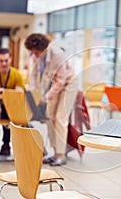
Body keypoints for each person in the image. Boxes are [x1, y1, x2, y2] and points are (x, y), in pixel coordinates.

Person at [25, 33, 78, 166]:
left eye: (37, 53)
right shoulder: (37, 56)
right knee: (49, 117)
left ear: (44, 49)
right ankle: (55, 152)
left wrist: (46, 96)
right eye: (33, 53)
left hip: (68, 83)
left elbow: (61, 81)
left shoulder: (57, 55)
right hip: (54, 84)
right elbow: (34, 74)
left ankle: (61, 155)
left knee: (60, 117)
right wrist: (33, 92)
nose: (35, 56)